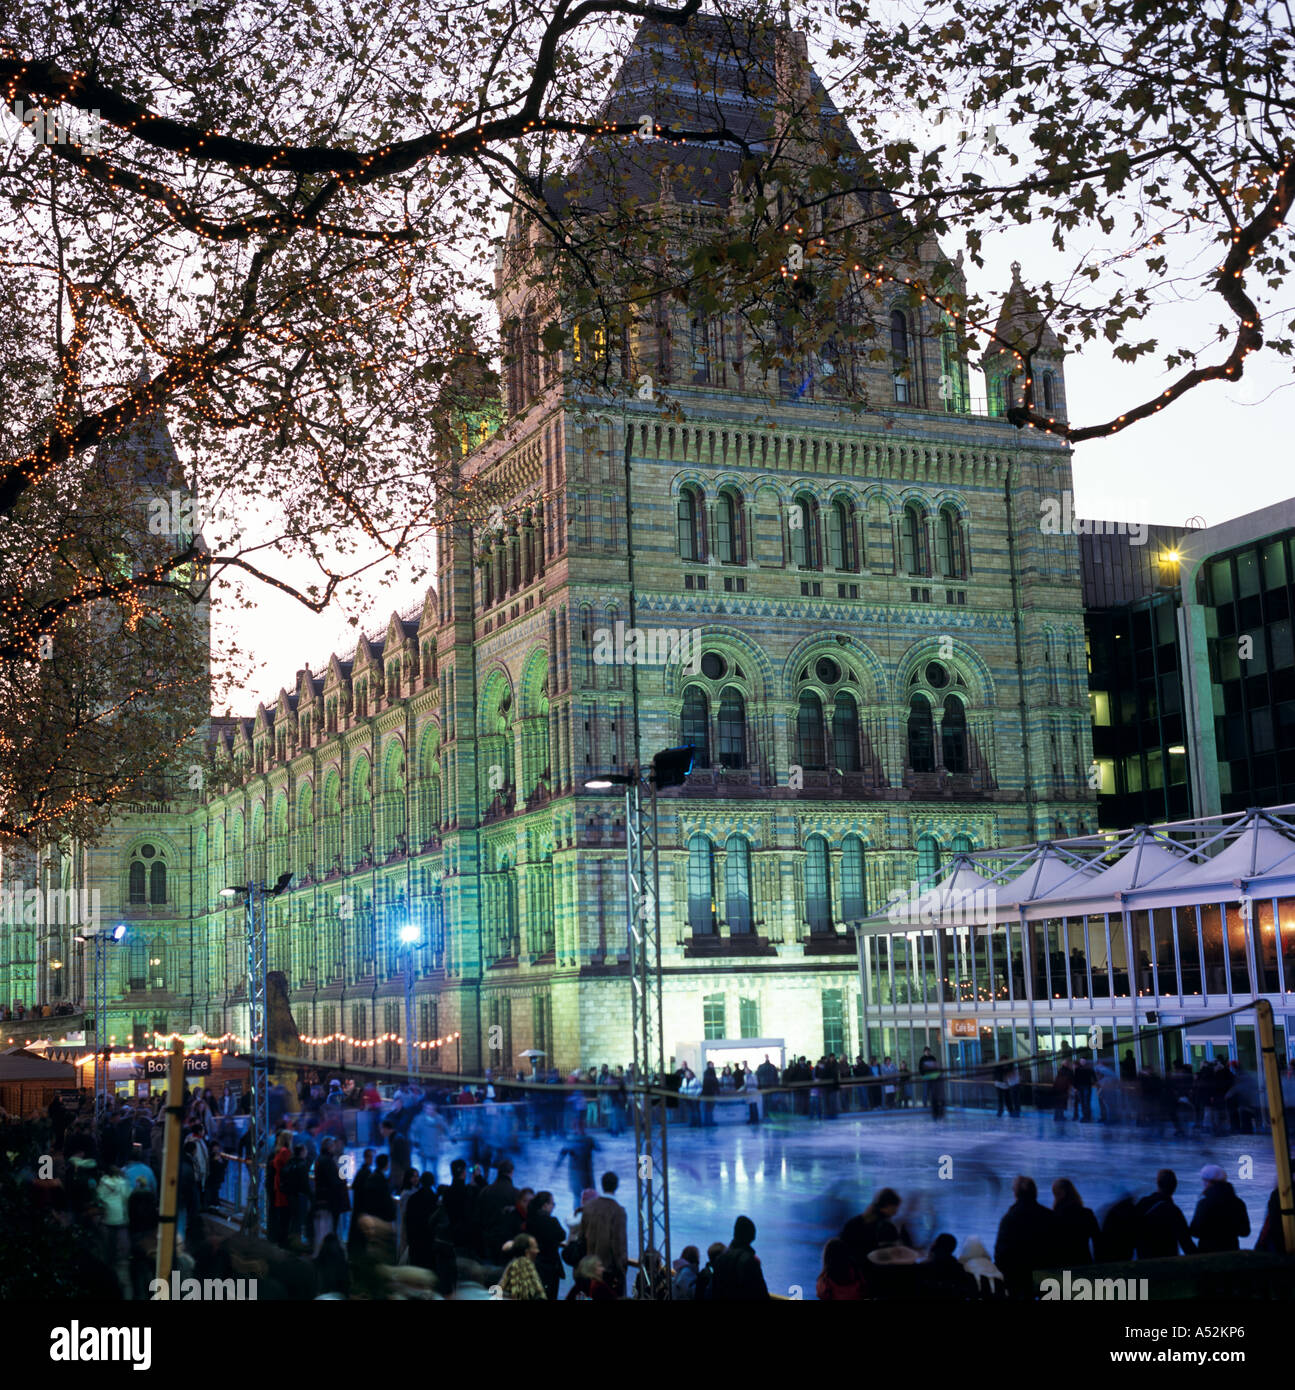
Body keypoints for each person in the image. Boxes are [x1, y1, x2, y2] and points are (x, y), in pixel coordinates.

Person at [993, 1175, 1058, 1299]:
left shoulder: (1010, 1218)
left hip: (1017, 1276)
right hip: (1044, 1274)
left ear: (1016, 1193)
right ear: (1034, 1192)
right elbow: (1058, 1246)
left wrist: (1003, 1272)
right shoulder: (1049, 1216)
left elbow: (1001, 1251)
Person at [581, 1170, 629, 1296]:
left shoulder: (589, 1207)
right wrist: (622, 1270)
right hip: (608, 1272)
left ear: (602, 1185)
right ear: (616, 1186)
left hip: (588, 1268)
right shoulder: (618, 1211)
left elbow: (582, 1235)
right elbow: (619, 1244)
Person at [841, 1187, 907, 1274]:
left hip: (853, 1272)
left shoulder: (854, 1222)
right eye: (895, 1208)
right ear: (887, 1206)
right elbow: (891, 1257)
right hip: (873, 1273)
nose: (896, 1212)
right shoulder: (886, 1227)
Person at [1190, 1164, 1250, 1253]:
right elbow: (1245, 1232)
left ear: (1208, 1182)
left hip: (1207, 1254)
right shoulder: (1238, 1203)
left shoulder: (1204, 1203)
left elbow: (1195, 1231)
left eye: (1203, 1180)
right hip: (1231, 1252)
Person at [1134, 1169, 1195, 1258]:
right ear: (1175, 1187)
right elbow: (1186, 1244)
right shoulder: (1174, 1211)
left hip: (1143, 1259)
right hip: (1167, 1262)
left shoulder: (1143, 1203)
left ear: (1158, 1184)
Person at [711, 1215, 770, 1300]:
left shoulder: (720, 1259)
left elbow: (715, 1291)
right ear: (751, 1236)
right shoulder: (750, 1261)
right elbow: (760, 1294)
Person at [527, 1190, 567, 1300]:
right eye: (552, 1203)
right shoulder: (551, 1222)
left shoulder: (529, 1220)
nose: (554, 1207)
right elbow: (562, 1235)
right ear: (545, 1205)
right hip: (549, 1269)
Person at [1051, 1177, 1099, 1265]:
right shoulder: (1087, 1213)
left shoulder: (1052, 1216)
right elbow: (1098, 1241)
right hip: (1084, 1261)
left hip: (1060, 1264)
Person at [919, 1232, 977, 1299]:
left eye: (934, 1242)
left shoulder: (924, 1268)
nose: (931, 1245)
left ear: (936, 1246)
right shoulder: (960, 1269)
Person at [499, 1233, 547, 1300]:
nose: (538, 1251)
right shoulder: (523, 1265)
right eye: (535, 1248)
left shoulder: (514, 1263)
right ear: (527, 1252)